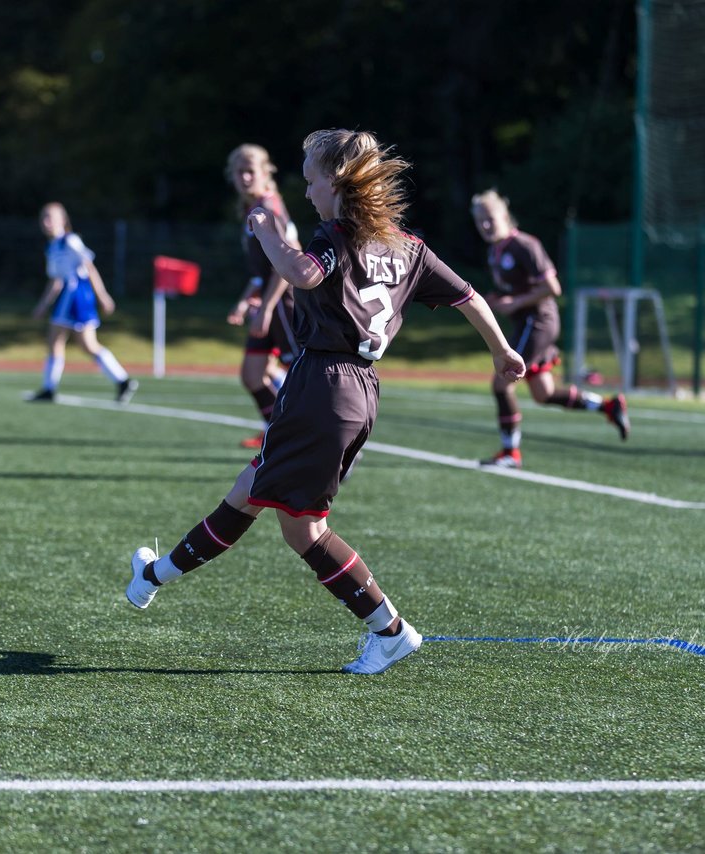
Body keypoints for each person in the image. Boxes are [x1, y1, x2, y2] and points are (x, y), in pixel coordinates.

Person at [126, 130, 526, 675]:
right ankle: (152, 578)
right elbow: (468, 296)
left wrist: (267, 232)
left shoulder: (336, 234)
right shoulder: (407, 247)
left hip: (322, 384)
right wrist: (502, 350)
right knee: (269, 504)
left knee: (293, 522)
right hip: (361, 391)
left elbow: (302, 272)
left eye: (312, 179)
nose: (307, 190)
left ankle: (388, 629)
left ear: (336, 181)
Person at [470, 189, 629, 469]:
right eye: (480, 221)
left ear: (504, 216)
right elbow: (512, 290)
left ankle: (510, 454)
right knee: (543, 394)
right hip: (526, 324)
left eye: (490, 219)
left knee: (501, 382)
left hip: (538, 323)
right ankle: (608, 406)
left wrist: (515, 302)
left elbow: (552, 288)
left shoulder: (525, 245)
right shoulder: (496, 251)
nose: (485, 226)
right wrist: (497, 300)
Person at [224, 144, 302, 448]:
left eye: (250, 171)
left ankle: (330, 441)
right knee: (252, 374)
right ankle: (282, 436)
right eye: (238, 171)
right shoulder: (253, 207)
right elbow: (261, 272)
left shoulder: (269, 209)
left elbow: (289, 261)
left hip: (285, 303)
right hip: (267, 301)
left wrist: (267, 307)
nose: (244, 177)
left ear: (264, 172)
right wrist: (246, 300)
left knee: (303, 378)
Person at [26, 202, 138, 404]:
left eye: (50, 217)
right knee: (82, 344)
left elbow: (89, 267)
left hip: (77, 295)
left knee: (61, 340)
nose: (45, 222)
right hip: (69, 296)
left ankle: (50, 389)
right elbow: (56, 281)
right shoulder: (52, 247)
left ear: (63, 220)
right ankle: (122, 381)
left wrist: (102, 295)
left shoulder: (71, 241)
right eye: (43, 217)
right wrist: (43, 304)